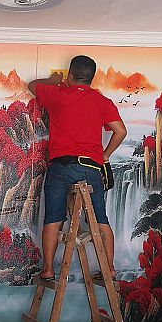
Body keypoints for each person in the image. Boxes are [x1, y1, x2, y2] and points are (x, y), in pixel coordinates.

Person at [28, 55, 127, 282]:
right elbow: (120, 131)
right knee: (100, 219)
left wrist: (53, 80)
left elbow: (32, 86)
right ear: (91, 78)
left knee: (53, 218)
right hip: (90, 169)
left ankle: (48, 270)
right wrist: (104, 156)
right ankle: (110, 269)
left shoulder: (56, 94)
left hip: (60, 167)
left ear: (70, 76)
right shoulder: (102, 101)